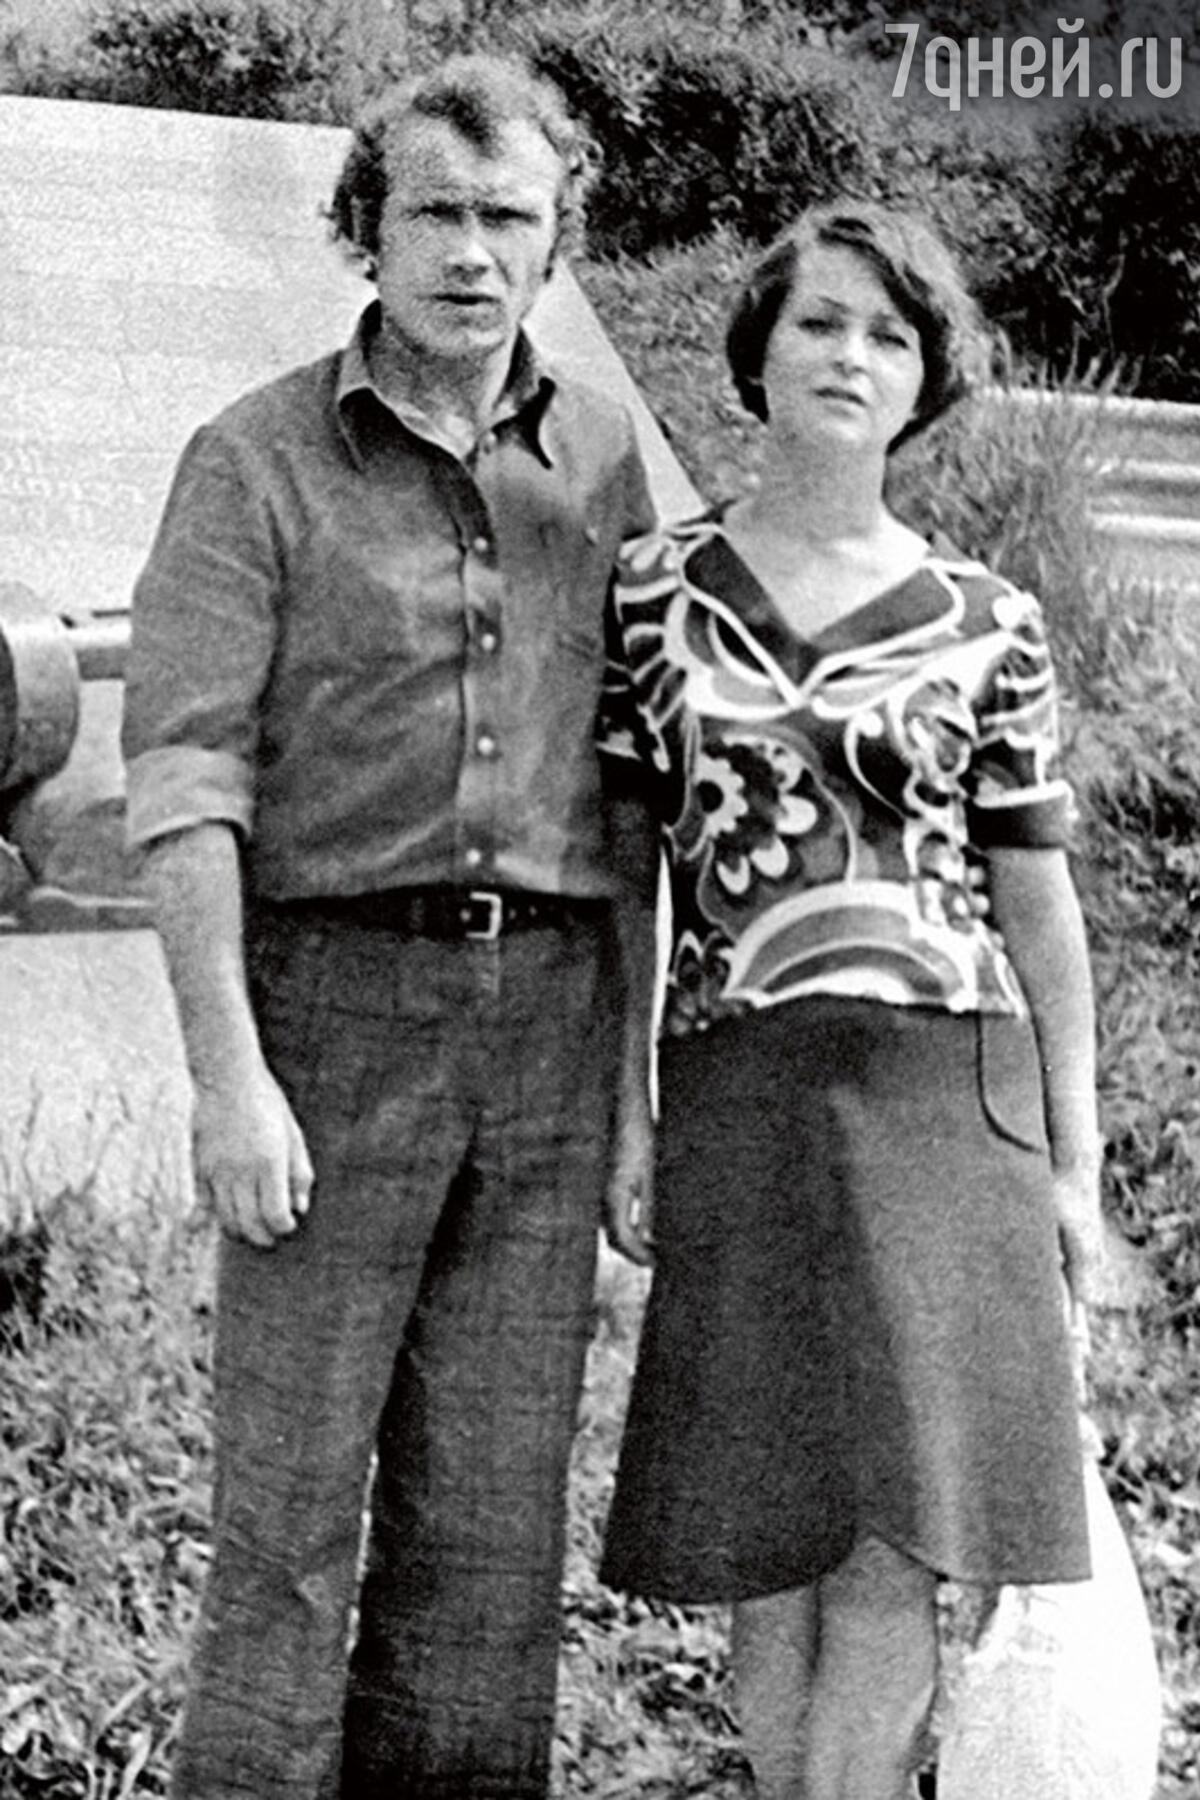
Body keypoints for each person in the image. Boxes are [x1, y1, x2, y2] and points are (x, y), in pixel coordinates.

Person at [121, 55, 655, 1800]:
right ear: (366, 229)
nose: (473, 254)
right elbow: (184, 783)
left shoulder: (607, 466)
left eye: (511, 218)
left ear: (560, 243)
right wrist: (229, 1078)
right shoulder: (254, 459)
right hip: (330, 1018)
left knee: (493, 1537)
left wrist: (636, 1100)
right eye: (435, 212)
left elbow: (640, 799)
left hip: (552, 1029)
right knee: (286, 1524)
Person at [598, 201, 1105, 1800]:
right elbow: (626, 883)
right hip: (740, 1098)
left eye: (890, 335)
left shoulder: (987, 620)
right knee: (764, 1542)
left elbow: (1040, 908)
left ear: (925, 381)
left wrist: (1076, 1164)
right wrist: (630, 1119)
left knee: (897, 1542)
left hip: (943, 1108)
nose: (851, 357)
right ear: (759, 351)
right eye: (820, 321)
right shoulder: (653, 593)